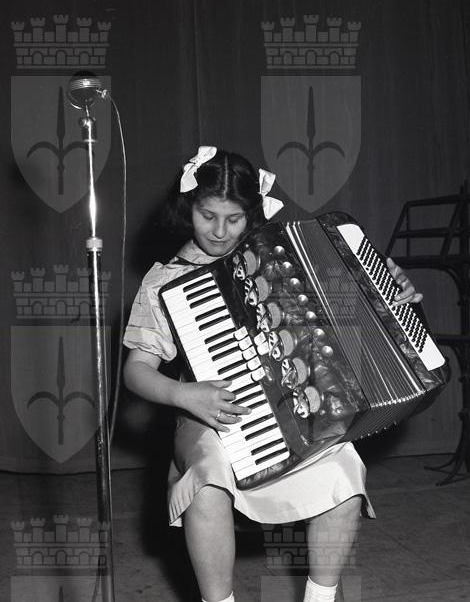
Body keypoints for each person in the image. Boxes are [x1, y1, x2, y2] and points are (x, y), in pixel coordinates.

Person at [123, 146, 423, 602]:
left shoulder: (286, 262)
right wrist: (184, 396)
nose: (219, 231)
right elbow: (136, 371)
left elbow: (350, 310)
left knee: (344, 471)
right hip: (208, 419)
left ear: (252, 214)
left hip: (295, 414)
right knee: (207, 483)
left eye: (234, 219)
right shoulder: (165, 281)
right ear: (188, 209)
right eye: (207, 216)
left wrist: (386, 290)